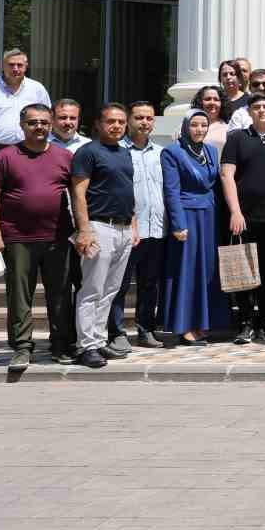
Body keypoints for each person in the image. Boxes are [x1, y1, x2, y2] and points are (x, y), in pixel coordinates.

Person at [0, 103, 74, 369]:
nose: (39, 127)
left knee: (60, 294)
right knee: (19, 296)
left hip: (58, 237)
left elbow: (78, 196)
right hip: (17, 238)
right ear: (22, 125)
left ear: (51, 124)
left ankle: (61, 345)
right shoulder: (5, 157)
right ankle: (22, 347)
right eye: (33, 122)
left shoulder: (65, 156)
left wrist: (83, 230)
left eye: (44, 122)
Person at [68, 103, 137, 367]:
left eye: (121, 122)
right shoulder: (88, 152)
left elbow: (127, 190)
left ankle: (98, 341)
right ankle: (85, 346)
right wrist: (84, 230)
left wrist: (133, 225)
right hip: (98, 227)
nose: (117, 126)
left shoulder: (124, 152)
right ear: (98, 124)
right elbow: (78, 193)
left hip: (123, 228)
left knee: (110, 291)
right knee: (92, 289)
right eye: (111, 121)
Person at [220, 92, 265, 343]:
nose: (262, 110)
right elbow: (227, 175)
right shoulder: (236, 139)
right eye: (257, 107)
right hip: (244, 217)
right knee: (243, 270)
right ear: (249, 111)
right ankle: (246, 323)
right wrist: (235, 211)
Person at [161, 109, 223, 347]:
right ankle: (184, 325)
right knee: (187, 270)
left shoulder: (211, 151)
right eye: (194, 125)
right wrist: (178, 223)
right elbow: (171, 190)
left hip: (209, 216)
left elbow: (214, 185)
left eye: (203, 125)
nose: (199, 129)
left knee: (206, 269)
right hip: (187, 215)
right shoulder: (172, 151)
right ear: (186, 127)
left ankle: (201, 323)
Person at [0, 49, 51, 222]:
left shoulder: (37, 89)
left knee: (27, 195)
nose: (16, 69)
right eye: (11, 65)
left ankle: (21, 234)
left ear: (26, 66)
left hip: (28, 151)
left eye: (20, 65)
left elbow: (47, 116)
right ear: (3, 66)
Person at [107, 101, 164, 350]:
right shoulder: (117, 151)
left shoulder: (161, 152)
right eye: (139, 117)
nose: (144, 122)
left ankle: (146, 329)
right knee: (118, 284)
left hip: (157, 229)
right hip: (126, 229)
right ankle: (116, 332)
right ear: (129, 120)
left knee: (150, 284)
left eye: (149, 118)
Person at [191, 85, 229, 150]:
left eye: (216, 99)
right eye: (208, 99)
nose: (212, 102)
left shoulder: (228, 129)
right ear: (200, 102)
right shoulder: (187, 126)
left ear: (222, 103)